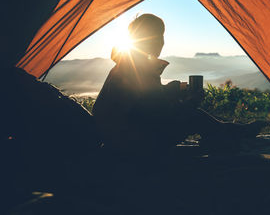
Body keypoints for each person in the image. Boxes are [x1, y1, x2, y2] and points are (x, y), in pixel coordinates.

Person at [93, 14, 260, 157]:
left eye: (161, 36)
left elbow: (145, 100)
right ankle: (229, 135)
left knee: (194, 116)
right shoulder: (134, 68)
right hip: (132, 145)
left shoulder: (128, 64)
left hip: (118, 138)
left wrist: (172, 90)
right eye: (157, 36)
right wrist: (189, 102)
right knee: (193, 117)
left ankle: (226, 133)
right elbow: (157, 115)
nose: (161, 41)